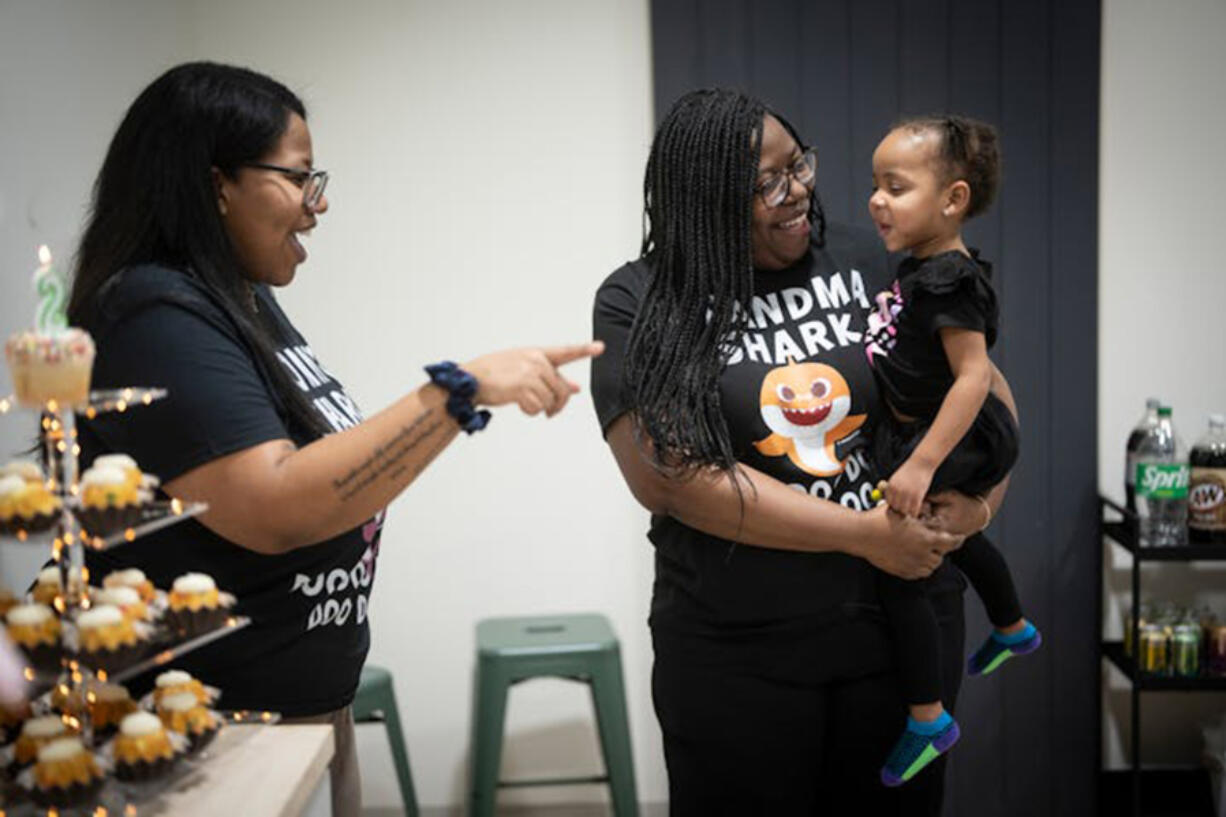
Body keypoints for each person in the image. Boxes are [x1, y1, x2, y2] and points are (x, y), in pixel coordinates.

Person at [67, 61, 601, 817]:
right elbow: (277, 504)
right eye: (299, 179)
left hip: (299, 712)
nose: (316, 208)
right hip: (211, 736)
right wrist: (460, 389)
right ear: (216, 182)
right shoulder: (156, 312)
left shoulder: (241, 299)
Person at [591, 88, 1017, 815]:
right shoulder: (643, 300)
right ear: (704, 197)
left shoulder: (875, 257)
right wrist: (867, 536)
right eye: (767, 182)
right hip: (736, 654)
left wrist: (973, 509)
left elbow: (985, 397)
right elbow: (670, 479)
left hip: (901, 644)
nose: (797, 192)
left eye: (800, 166)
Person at [865, 115, 1039, 787]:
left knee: (901, 559)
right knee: (954, 537)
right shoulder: (922, 269)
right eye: (874, 184)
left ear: (953, 199)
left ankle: (928, 717)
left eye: (896, 186)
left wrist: (920, 462)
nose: (877, 199)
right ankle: (1012, 623)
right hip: (931, 432)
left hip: (956, 434)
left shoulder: (950, 279)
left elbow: (973, 377)